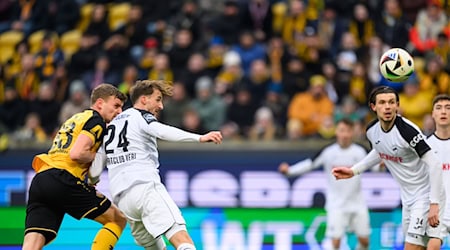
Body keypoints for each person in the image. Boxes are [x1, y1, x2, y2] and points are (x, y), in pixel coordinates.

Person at [89, 80, 222, 250]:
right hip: (145, 188)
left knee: (155, 247)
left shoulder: (110, 126)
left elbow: (96, 164)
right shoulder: (141, 115)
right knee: (179, 235)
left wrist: (93, 181)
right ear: (143, 100)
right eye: (158, 99)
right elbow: (161, 131)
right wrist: (199, 137)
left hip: (123, 200)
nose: (161, 106)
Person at [332, 86, 446, 249]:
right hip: (407, 198)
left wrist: (434, 203)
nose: (387, 107)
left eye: (392, 102)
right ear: (373, 107)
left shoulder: (407, 131)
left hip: (425, 196)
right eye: (383, 103)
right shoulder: (372, 131)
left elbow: (435, 164)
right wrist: (353, 170)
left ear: (397, 106)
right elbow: (379, 151)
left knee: (412, 247)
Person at [23, 83, 128, 250]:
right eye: (116, 106)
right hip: (63, 178)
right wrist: (101, 157)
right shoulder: (96, 120)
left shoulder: (75, 118)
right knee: (117, 218)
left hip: (41, 179)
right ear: (100, 103)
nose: (119, 112)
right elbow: (77, 153)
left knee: (33, 243)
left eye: (121, 108)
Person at [279, 118, 372, 250]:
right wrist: (289, 171)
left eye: (348, 131)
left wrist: (382, 165)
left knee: (365, 241)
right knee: (336, 242)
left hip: (357, 203)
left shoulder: (361, 151)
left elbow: (376, 166)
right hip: (336, 204)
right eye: (341, 131)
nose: (344, 135)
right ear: (336, 132)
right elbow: (309, 164)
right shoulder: (328, 152)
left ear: (352, 133)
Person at [426, 94, 450, 235]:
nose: (443, 112)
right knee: (432, 246)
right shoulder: (425, 146)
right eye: (439, 108)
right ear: (433, 114)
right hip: (436, 210)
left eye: (448, 108)